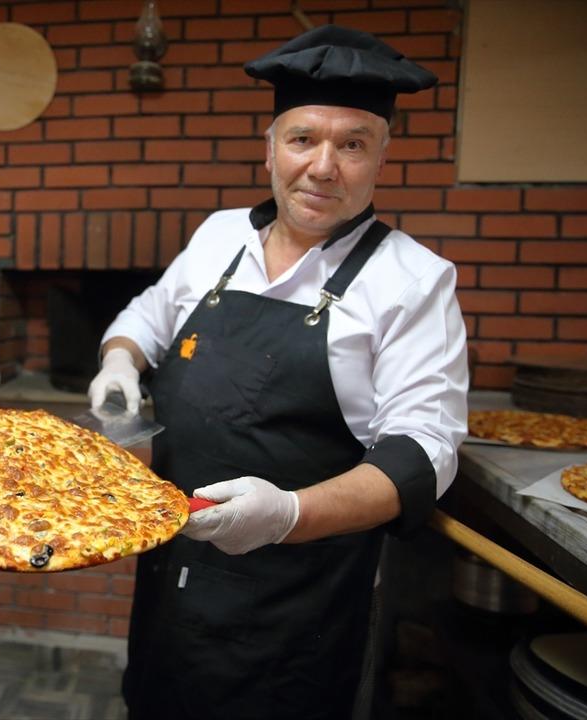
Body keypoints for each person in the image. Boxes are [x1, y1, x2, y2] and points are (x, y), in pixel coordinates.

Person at [86, 24, 469, 720]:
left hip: (295, 609)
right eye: (303, 139)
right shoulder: (219, 236)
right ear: (271, 148)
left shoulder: (414, 282)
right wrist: (120, 360)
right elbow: (147, 313)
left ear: (381, 156)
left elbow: (424, 453)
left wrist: (288, 514)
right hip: (172, 576)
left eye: (352, 143)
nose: (323, 166)